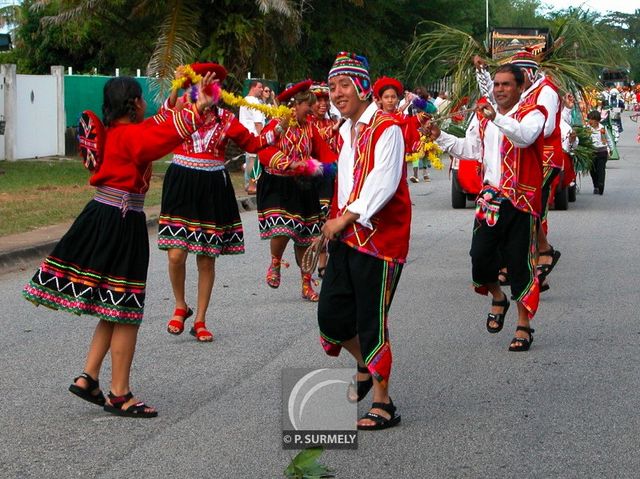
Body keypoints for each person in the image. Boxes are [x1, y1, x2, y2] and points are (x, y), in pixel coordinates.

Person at [22, 74, 217, 417]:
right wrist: (196, 111)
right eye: (142, 98)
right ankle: (119, 393)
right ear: (133, 103)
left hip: (105, 215)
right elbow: (162, 137)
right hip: (121, 222)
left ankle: (89, 377)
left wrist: (186, 102)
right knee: (126, 310)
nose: (146, 104)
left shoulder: (119, 132)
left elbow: (160, 124)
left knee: (113, 305)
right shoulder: (132, 136)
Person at [319, 52, 411, 430]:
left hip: (380, 240)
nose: (336, 93)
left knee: (371, 320)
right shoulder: (346, 130)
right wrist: (334, 220)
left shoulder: (387, 127)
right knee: (331, 319)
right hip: (346, 236)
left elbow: (383, 184)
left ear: (360, 87)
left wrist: (346, 217)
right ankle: (364, 363)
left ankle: (383, 402)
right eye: (332, 87)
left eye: (343, 86)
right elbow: (346, 181)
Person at [429, 64, 546, 352]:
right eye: (496, 84)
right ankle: (497, 296)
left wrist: (497, 118)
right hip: (490, 199)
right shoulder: (483, 118)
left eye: (506, 84)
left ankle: (523, 325)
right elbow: (470, 150)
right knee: (479, 258)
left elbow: (524, 138)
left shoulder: (532, 114)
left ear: (520, 88)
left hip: (521, 201)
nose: (499, 89)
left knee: (519, 264)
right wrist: (438, 136)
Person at [159, 63, 275, 342]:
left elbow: (253, 143)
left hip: (211, 187)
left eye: (213, 86)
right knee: (176, 254)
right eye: (199, 85)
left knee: (206, 258)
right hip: (182, 184)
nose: (206, 91)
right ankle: (179, 305)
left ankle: (200, 319)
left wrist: (277, 129)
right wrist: (176, 86)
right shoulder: (181, 113)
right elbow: (162, 118)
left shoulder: (225, 119)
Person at [474, 51, 562, 290]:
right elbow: (490, 97)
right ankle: (527, 257)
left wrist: (512, 126)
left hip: (541, 157)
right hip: (516, 155)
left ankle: (530, 260)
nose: (501, 88)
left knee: (527, 206)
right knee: (513, 210)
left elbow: (544, 129)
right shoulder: (525, 96)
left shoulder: (545, 92)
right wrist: (481, 72)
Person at [256, 80, 337, 301]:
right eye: (307, 107)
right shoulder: (276, 125)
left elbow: (325, 155)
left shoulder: (310, 127)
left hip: (304, 187)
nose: (311, 111)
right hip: (278, 185)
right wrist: (288, 163)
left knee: (306, 239)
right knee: (284, 228)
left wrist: (332, 169)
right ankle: (275, 262)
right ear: (294, 105)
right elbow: (262, 149)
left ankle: (306, 284)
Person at [309, 82, 339, 278]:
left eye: (325, 100)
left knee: (327, 217)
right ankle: (316, 262)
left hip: (330, 178)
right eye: (318, 100)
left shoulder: (332, 122)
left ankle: (324, 262)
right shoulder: (305, 123)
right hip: (310, 179)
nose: (322, 104)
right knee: (315, 220)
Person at [239, 80, 265, 194]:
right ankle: (251, 185)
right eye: (259, 87)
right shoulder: (254, 102)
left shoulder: (244, 100)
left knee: (250, 159)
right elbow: (258, 122)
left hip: (246, 134)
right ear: (253, 87)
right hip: (254, 134)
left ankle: (248, 184)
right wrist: (262, 137)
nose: (261, 90)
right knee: (254, 160)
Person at [586, 110, 610, 195]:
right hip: (591, 152)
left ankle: (601, 185)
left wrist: (610, 149)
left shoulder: (602, 128)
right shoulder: (587, 129)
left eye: (592, 119)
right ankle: (595, 185)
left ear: (597, 120)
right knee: (593, 170)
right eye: (589, 119)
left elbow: (608, 138)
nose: (590, 121)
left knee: (601, 170)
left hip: (602, 151)